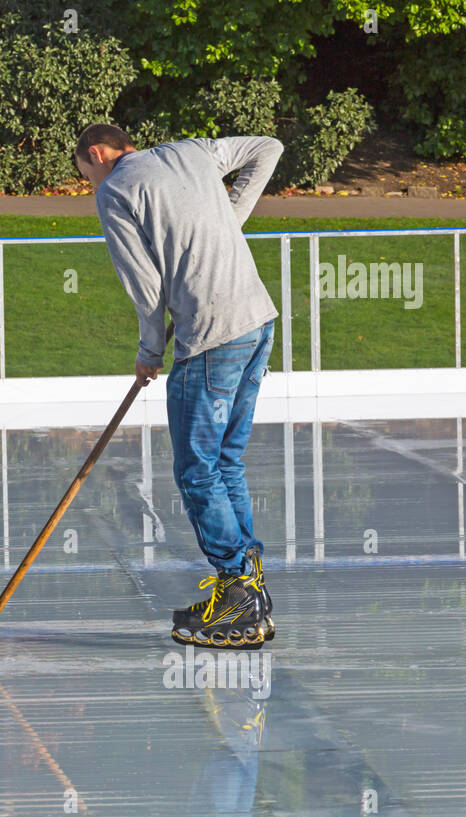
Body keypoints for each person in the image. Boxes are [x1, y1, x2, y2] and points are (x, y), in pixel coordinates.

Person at [74, 124, 283, 650]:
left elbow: (144, 285)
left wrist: (149, 354)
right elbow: (268, 148)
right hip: (259, 322)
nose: (89, 184)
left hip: (211, 336)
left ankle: (237, 591)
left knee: (197, 469)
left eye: (84, 174)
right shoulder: (191, 152)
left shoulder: (116, 190)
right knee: (225, 461)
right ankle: (249, 588)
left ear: (97, 154)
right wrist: (230, 220)